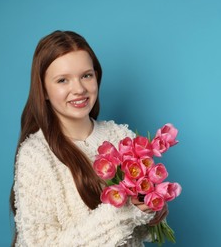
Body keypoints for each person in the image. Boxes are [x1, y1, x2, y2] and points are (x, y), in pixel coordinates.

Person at [9, 30, 168, 246]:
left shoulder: (121, 137)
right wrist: (127, 212)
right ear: (43, 90)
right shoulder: (35, 155)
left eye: (86, 75)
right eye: (63, 80)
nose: (79, 89)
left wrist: (153, 209)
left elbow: (147, 234)